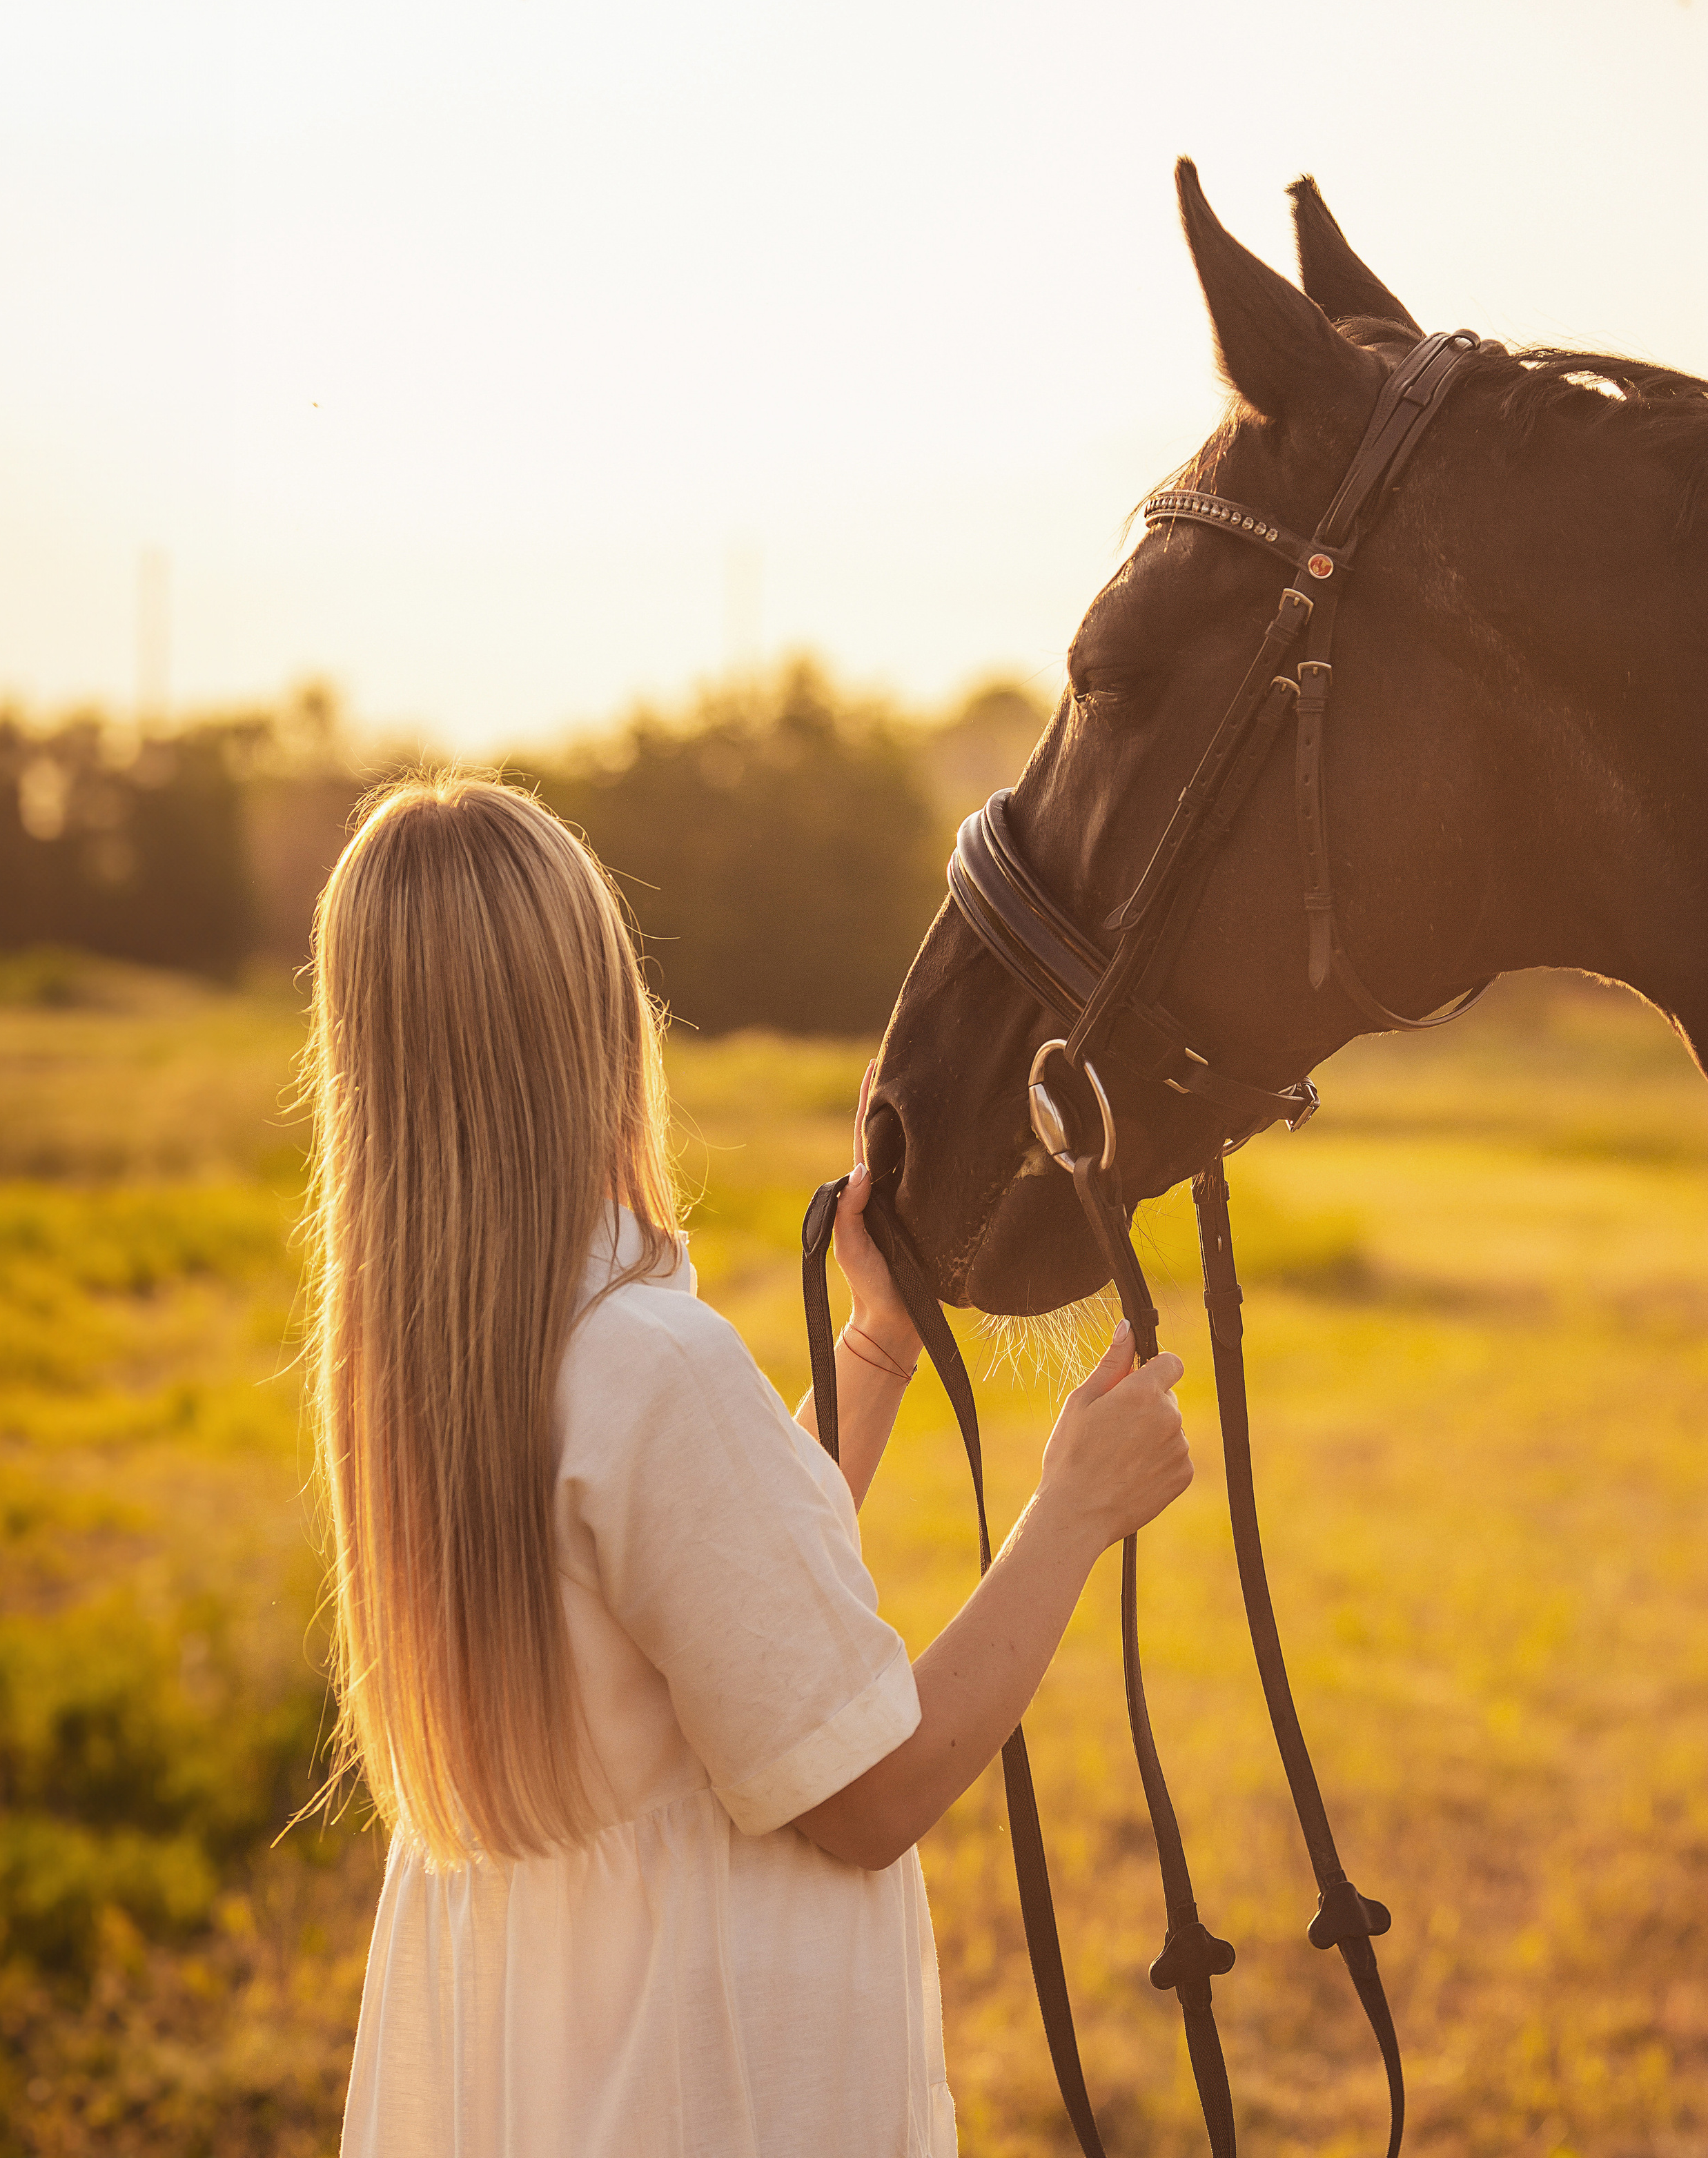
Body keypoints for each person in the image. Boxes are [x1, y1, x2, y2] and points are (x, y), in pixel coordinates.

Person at [304, 774, 1192, 2158]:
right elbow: (867, 1794)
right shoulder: (649, 1360)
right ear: (598, 1025)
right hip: (695, 2084)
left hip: (549, 2067)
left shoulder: (439, 1367)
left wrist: (876, 1349)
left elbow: (723, 1625)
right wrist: (1073, 1507)